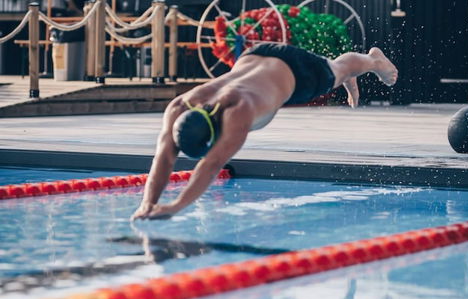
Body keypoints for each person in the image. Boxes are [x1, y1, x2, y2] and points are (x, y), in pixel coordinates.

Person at [131, 44, 398, 220]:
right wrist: (148, 203)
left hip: (296, 74)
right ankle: (345, 73)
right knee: (337, 70)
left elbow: (211, 164)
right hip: (256, 54)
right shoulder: (181, 106)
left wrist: (175, 206)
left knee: (339, 70)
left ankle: (373, 60)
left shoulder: (240, 110)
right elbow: (164, 157)